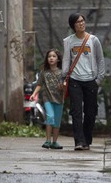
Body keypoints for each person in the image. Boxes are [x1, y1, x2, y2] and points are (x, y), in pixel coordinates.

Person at [62, 13, 105, 151]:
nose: (81, 23)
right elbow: (66, 60)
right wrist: (63, 77)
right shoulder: (68, 41)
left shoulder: (93, 40)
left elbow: (100, 59)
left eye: (82, 21)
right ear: (73, 26)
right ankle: (79, 141)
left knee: (90, 112)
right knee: (76, 111)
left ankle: (86, 138)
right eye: (78, 22)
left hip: (91, 80)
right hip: (75, 80)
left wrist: (99, 79)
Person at [30, 48, 64, 149]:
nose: (51, 58)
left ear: (58, 59)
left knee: (57, 121)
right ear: (47, 59)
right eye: (49, 56)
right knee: (50, 117)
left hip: (59, 100)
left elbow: (66, 85)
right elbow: (39, 85)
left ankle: (55, 142)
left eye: (54, 56)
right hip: (47, 98)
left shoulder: (62, 73)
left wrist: (63, 86)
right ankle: (48, 140)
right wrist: (33, 94)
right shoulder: (44, 72)